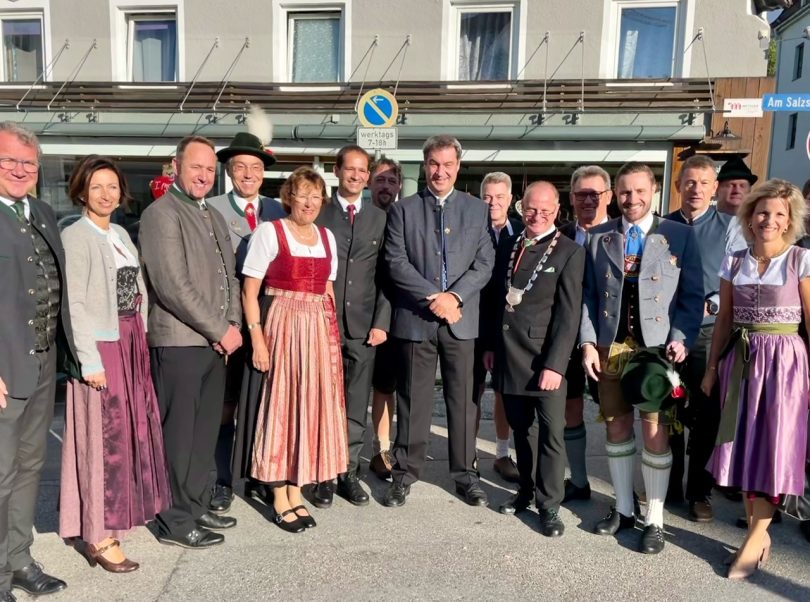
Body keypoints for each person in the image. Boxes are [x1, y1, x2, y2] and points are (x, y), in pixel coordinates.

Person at [580, 161, 703, 555]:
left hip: (656, 350)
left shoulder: (679, 234)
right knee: (616, 427)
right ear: (614, 194)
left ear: (654, 191)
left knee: (655, 433)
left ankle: (655, 519)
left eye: (639, 191)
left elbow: (692, 295)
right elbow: (587, 295)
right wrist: (587, 342)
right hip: (610, 346)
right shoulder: (597, 236)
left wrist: (682, 337)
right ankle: (623, 508)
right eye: (624, 191)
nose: (631, 198)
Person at [59, 155, 171, 572]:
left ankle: (115, 515)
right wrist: (89, 359)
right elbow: (75, 305)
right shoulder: (76, 236)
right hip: (102, 344)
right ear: (81, 192)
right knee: (103, 440)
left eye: (112, 186)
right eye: (96, 187)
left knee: (127, 433)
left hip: (129, 340)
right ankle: (98, 533)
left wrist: (140, 335)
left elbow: (136, 291)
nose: (105, 195)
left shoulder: (121, 232)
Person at [702, 179, 810, 580]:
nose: (770, 220)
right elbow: (724, 321)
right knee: (744, 446)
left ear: (790, 221)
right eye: (763, 211)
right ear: (750, 217)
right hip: (741, 361)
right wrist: (712, 368)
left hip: (785, 364)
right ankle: (756, 534)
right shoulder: (734, 261)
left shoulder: (800, 259)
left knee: (775, 447)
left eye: (780, 214)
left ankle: (755, 538)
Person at [139, 135, 243, 549]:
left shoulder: (212, 214)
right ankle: (174, 521)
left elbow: (230, 276)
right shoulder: (161, 214)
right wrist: (220, 329)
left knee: (203, 434)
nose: (203, 175)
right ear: (177, 166)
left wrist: (232, 323)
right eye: (196, 167)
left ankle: (197, 505)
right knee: (179, 437)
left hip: (215, 344)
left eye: (210, 170)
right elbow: (172, 286)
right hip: (180, 343)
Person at [382, 135, 495, 508]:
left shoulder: (476, 210)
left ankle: (465, 476)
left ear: (458, 167)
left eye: (447, 164)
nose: (440, 171)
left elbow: (485, 262)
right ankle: (404, 473)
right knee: (412, 400)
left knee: (463, 402)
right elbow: (396, 262)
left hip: (461, 320)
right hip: (416, 319)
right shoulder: (403, 210)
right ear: (424, 165)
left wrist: (454, 297)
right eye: (433, 163)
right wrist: (435, 298)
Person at [241, 166, 347, 533]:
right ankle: (277, 493)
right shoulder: (270, 232)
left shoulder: (327, 237)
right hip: (283, 324)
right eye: (303, 194)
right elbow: (249, 292)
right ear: (289, 197)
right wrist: (257, 339)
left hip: (317, 327)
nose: (309, 202)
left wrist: (331, 338)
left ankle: (296, 487)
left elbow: (327, 290)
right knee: (283, 405)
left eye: (316, 196)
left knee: (310, 407)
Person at [0, 121, 75, 600]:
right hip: (4, 369)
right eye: (8, 160)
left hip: (44, 362)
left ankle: (19, 559)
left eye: (28, 162)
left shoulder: (43, 211)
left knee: (30, 466)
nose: (19, 169)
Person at [485, 181, 585, 537]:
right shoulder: (510, 244)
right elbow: (495, 299)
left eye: (545, 210)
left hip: (545, 360)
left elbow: (569, 315)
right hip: (509, 355)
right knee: (522, 431)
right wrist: (490, 346)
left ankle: (550, 504)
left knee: (551, 434)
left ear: (557, 210)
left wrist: (556, 365)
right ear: (521, 207)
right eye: (531, 208)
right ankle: (526, 492)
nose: (537, 215)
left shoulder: (570, 251)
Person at [207, 132, 284, 513]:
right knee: (226, 403)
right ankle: (221, 479)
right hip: (230, 323)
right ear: (229, 171)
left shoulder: (279, 210)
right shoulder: (212, 209)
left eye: (255, 167)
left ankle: (259, 476)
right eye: (240, 167)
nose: (248, 174)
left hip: (272, 323)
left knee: (265, 404)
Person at [312, 145, 390, 508]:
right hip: (321, 323)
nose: (356, 176)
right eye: (350, 169)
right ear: (337, 171)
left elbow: (388, 275)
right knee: (321, 401)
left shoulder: (380, 218)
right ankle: (322, 474)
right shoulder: (319, 212)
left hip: (363, 326)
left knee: (356, 404)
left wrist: (381, 322)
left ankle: (348, 471)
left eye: (362, 171)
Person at [663, 155, 734, 521]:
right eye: (689, 182)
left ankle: (699, 492)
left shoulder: (730, 228)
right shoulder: (662, 227)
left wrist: (717, 301)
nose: (696, 189)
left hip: (709, 334)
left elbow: (740, 276)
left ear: (714, 188)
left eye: (704, 183)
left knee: (707, 414)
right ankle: (669, 483)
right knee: (668, 409)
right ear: (678, 186)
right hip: (668, 334)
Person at [557, 165, 613, 503]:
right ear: (571, 198)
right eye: (581, 194)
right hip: (566, 339)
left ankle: (621, 492)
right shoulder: (559, 235)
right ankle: (578, 481)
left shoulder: (621, 235)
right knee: (571, 409)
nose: (588, 200)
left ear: (608, 196)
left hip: (607, 340)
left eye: (595, 194)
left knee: (616, 416)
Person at [475, 171, 522, 484]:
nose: (493, 202)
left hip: (508, 326)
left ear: (510, 200)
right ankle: (468, 454)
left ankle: (503, 454)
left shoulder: (521, 232)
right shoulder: (469, 230)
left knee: (504, 392)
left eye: (499, 197)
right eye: (487, 197)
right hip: (474, 324)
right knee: (472, 393)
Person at [369, 156, 403, 479]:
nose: (386, 186)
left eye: (392, 181)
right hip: (354, 314)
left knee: (385, 386)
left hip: (392, 318)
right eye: (380, 179)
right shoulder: (358, 217)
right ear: (369, 182)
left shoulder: (403, 218)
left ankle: (381, 449)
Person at [717, 157, 757, 255]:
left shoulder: (758, 224)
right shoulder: (706, 223)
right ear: (717, 189)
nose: (737, 191)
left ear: (750, 191)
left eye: (742, 186)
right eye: (731, 185)